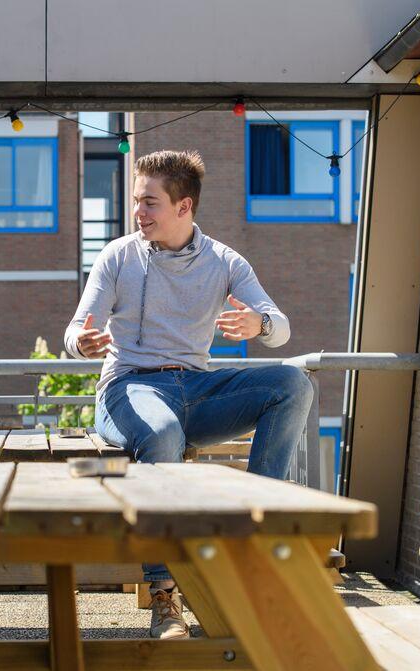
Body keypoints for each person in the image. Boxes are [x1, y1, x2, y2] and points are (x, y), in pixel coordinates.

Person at [64, 150, 313, 639]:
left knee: (293, 383)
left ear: (184, 208)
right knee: (161, 433)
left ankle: (250, 544)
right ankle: (164, 594)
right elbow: (76, 328)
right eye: (137, 201)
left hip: (197, 387)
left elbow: (280, 330)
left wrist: (258, 323)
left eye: (150, 203)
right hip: (128, 386)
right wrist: (82, 343)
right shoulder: (118, 255)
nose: (139, 213)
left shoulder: (224, 261)